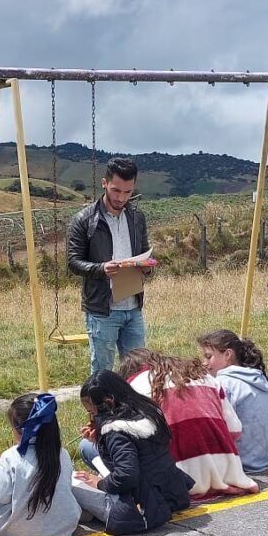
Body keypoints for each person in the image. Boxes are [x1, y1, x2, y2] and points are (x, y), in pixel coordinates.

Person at [118, 348, 259, 499]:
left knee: (89, 449)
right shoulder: (205, 376)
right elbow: (235, 429)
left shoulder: (133, 386)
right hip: (226, 473)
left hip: (177, 480)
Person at [71, 370, 195, 534]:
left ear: (108, 403)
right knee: (87, 447)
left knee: (71, 483)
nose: (91, 418)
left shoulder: (115, 432)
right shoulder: (148, 411)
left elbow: (127, 475)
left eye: (92, 412)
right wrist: (100, 439)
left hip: (145, 503)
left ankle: (88, 510)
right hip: (172, 490)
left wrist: (100, 483)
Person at [66, 157, 153, 374]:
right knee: (103, 372)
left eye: (128, 192)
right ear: (104, 183)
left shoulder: (137, 217)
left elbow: (145, 251)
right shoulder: (84, 220)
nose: (121, 197)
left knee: (139, 371)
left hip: (133, 306)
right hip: (102, 309)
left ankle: (134, 408)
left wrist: (147, 266)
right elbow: (73, 262)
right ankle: (102, 409)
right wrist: (101, 268)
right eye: (116, 190)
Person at [0, 393, 81, 536]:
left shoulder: (11, 456)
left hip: (18, 535)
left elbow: (0, 495)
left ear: (20, 430)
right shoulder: (61, 453)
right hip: (62, 529)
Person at [197, 329, 268, 473]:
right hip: (264, 458)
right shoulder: (258, 377)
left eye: (209, 357)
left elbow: (213, 427)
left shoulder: (223, 383)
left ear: (228, 354)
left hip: (241, 462)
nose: (204, 363)